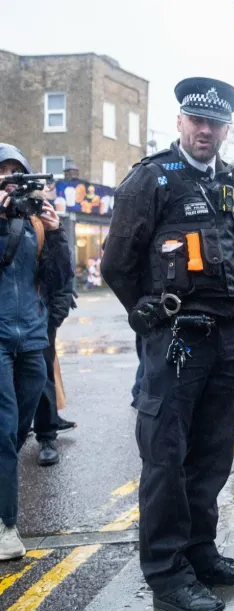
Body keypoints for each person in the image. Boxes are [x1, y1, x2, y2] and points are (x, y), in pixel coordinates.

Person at [102, 77, 234, 611]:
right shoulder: (151, 179)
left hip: (227, 339)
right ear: (180, 122)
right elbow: (117, 263)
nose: (205, 129)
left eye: (214, 122)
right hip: (176, 339)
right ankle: (168, 575)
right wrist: (145, 311)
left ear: (225, 129)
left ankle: (200, 552)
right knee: (166, 458)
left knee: (213, 454)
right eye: (196, 120)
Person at [0, 143, 73, 560]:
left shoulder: (35, 222)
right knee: (5, 431)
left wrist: (58, 230)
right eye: (4, 172)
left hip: (31, 337)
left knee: (20, 427)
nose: (11, 178)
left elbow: (60, 276)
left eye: (17, 172)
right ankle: (7, 526)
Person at [33, 230, 78, 467]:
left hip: (40, 318)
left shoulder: (44, 223)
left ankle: (47, 435)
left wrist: (56, 315)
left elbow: (63, 273)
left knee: (43, 376)